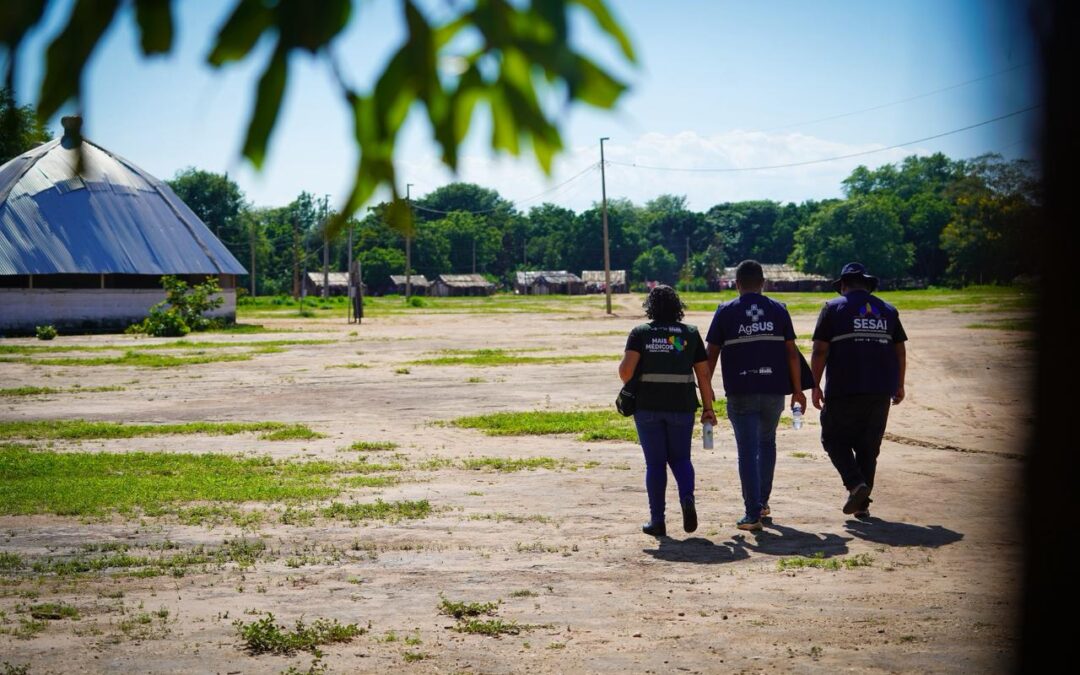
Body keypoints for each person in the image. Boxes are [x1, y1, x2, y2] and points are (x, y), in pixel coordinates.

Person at [705, 260, 806, 532]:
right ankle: (762, 503)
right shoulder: (779, 310)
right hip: (774, 391)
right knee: (767, 443)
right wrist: (797, 390)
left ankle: (752, 513)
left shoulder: (725, 312)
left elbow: (710, 354)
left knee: (747, 450)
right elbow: (791, 354)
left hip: (741, 391)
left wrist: (706, 389)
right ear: (763, 283)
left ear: (737, 284)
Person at [619, 285, 718, 537]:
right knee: (681, 458)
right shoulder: (690, 333)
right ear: (678, 306)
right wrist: (708, 408)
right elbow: (703, 374)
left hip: (648, 407)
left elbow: (626, 372)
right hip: (682, 406)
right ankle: (687, 499)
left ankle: (657, 521)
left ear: (650, 307)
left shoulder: (640, 333)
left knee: (655, 464)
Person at [810, 262, 907, 518]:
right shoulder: (888, 310)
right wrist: (899, 383)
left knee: (832, 438)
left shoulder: (832, 308)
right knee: (868, 447)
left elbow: (820, 349)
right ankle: (862, 505)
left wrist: (815, 384)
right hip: (879, 390)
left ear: (843, 285)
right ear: (867, 285)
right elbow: (900, 350)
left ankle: (855, 485)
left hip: (843, 388)